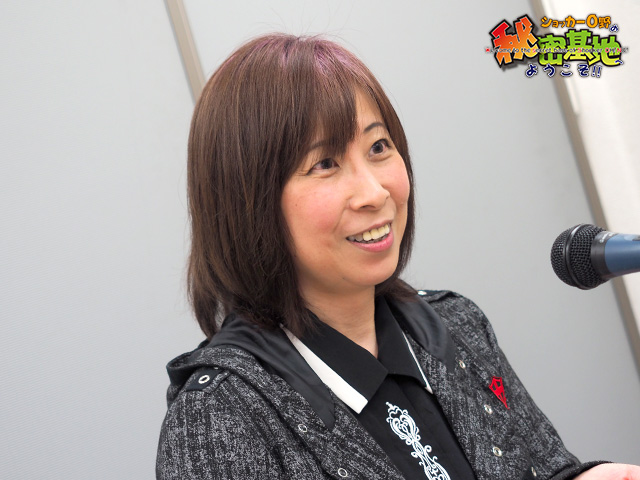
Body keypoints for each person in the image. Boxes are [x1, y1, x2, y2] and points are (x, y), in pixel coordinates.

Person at [156, 33, 639, 480]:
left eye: (379, 147)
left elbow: (543, 467)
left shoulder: (454, 325)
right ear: (246, 203)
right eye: (325, 163)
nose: (374, 192)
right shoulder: (219, 417)